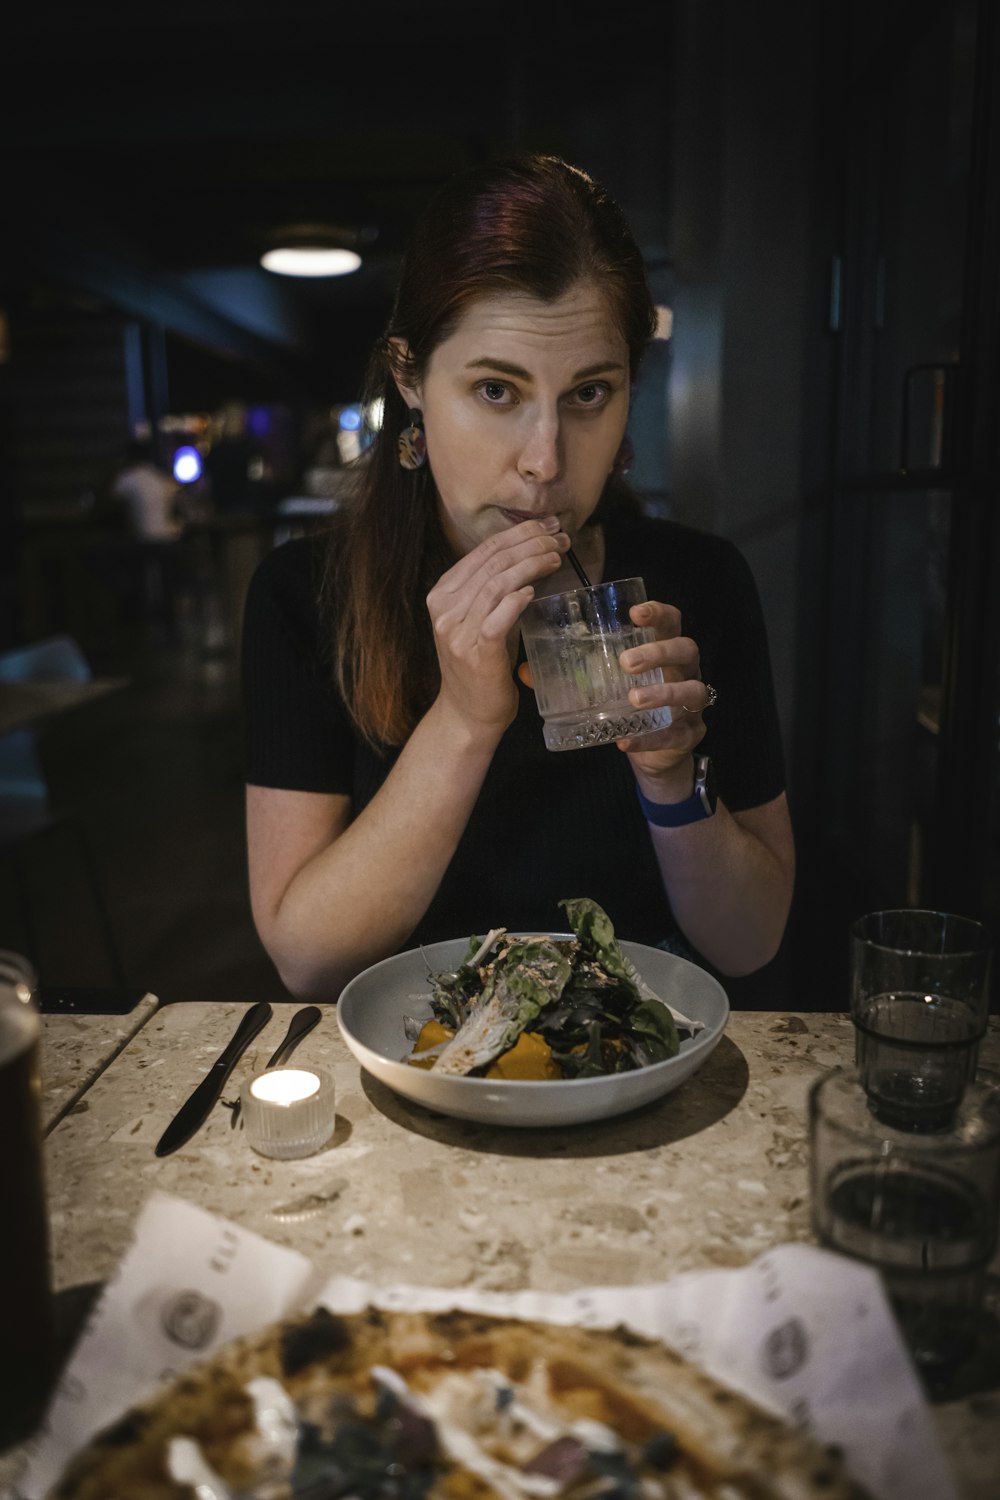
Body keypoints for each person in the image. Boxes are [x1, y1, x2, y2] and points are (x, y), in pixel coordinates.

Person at [241, 153, 795, 1002]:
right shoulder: (304, 597)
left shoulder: (701, 583)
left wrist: (672, 779)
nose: (545, 464)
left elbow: (751, 942)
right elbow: (307, 959)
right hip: (415, 1059)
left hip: (633, 1062)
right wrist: (464, 719)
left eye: (588, 394)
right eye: (496, 390)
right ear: (408, 377)